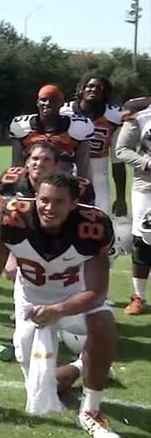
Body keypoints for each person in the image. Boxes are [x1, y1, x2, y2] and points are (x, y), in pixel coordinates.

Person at [0, 173, 123, 438]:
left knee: (103, 321)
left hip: (74, 297)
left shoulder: (92, 225)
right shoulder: (13, 218)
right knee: (42, 392)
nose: (49, 207)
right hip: (29, 301)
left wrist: (59, 309)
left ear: (74, 204)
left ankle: (90, 411)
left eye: (59, 202)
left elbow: (97, 293)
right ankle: (80, 366)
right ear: (35, 196)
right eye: (44, 200)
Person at [61, 74, 127, 216]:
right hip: (68, 172)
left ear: (106, 92)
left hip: (99, 175)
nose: (94, 89)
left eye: (99, 87)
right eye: (90, 86)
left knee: (100, 218)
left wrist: (121, 197)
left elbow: (118, 161)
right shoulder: (64, 112)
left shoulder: (115, 116)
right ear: (81, 89)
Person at [9, 84, 93, 179]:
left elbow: (83, 167)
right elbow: (17, 165)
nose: (47, 103)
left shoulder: (79, 127)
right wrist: (18, 187)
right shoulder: (21, 127)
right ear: (37, 102)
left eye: (53, 100)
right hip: (32, 183)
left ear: (61, 103)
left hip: (62, 184)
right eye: (43, 100)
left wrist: (85, 189)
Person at [113, 108, 151, 315]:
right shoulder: (141, 117)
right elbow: (122, 149)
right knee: (143, 240)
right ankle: (139, 296)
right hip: (147, 185)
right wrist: (147, 163)